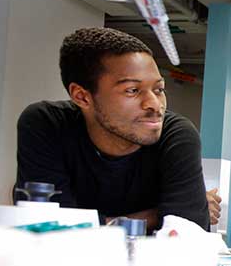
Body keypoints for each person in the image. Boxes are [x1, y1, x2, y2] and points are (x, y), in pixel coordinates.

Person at [15, 27, 218, 231]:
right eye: (132, 90)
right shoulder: (46, 124)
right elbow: (49, 230)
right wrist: (157, 215)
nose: (155, 104)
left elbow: (186, 236)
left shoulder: (176, 135)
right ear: (82, 97)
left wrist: (94, 224)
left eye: (159, 89)